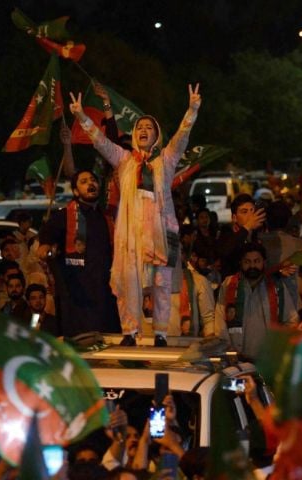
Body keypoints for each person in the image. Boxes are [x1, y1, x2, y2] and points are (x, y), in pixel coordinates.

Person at [69, 84, 202, 346]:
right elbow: (100, 141)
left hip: (161, 232)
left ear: (157, 136)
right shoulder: (124, 160)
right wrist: (81, 116)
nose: (143, 130)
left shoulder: (166, 159)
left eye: (148, 128)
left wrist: (192, 110)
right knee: (128, 282)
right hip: (130, 233)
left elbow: (182, 137)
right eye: (139, 127)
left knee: (161, 284)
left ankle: (161, 334)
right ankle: (130, 332)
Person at [38, 169, 121, 337]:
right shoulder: (66, 215)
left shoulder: (108, 217)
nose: (90, 184)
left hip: (106, 291)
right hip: (77, 294)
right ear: (75, 191)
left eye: (93, 180)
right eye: (83, 182)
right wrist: (45, 246)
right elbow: (48, 235)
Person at [214, 243, 298, 360]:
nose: (252, 266)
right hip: (236, 357)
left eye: (257, 261)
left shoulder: (277, 287)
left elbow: (291, 320)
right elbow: (219, 321)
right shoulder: (229, 284)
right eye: (247, 262)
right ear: (241, 263)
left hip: (269, 359)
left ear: (264, 262)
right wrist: (227, 349)